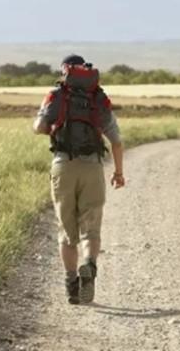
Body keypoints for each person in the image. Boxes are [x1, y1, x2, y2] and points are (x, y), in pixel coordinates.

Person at [33, 54, 125, 304]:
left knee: (66, 230)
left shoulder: (56, 95)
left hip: (63, 165)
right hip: (92, 167)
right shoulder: (98, 98)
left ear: (64, 71)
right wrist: (118, 172)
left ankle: (71, 284)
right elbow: (116, 141)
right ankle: (90, 265)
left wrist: (53, 128)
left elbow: (39, 127)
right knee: (91, 227)